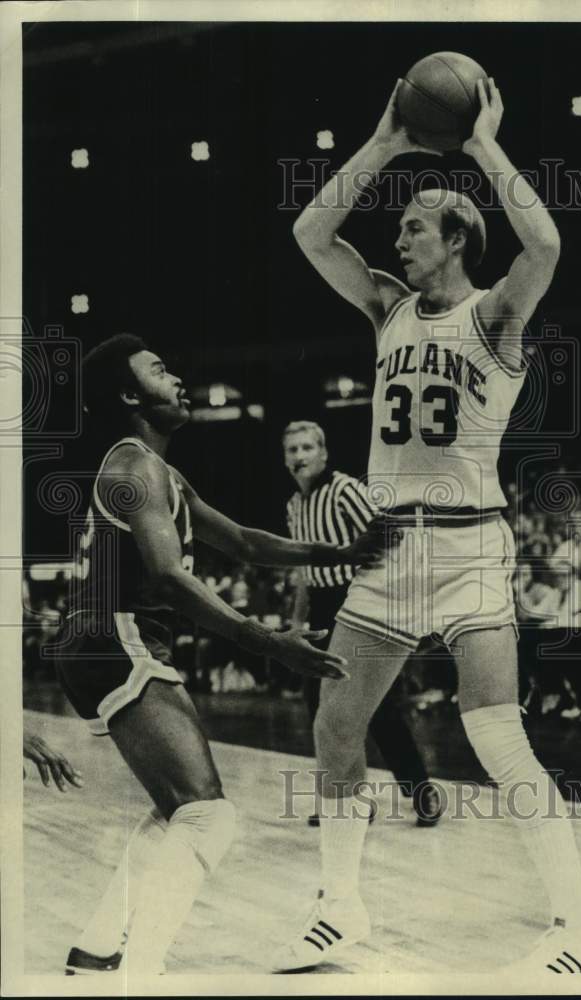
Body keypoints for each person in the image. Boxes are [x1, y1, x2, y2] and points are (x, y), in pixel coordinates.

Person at [274, 78, 581, 974]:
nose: (399, 236)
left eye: (415, 225)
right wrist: (382, 144)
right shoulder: (384, 307)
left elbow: (546, 239)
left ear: (457, 239)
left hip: (467, 544)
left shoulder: (494, 313)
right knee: (336, 730)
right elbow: (310, 234)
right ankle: (340, 908)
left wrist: (481, 143)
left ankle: (574, 929)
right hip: (385, 546)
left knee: (495, 734)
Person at [53, 334, 383, 977]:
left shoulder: (161, 470)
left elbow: (243, 542)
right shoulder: (133, 468)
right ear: (130, 397)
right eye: (158, 369)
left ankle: (97, 949)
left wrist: (333, 554)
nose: (176, 377)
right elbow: (171, 577)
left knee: (183, 807)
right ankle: (138, 974)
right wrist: (265, 641)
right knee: (209, 817)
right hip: (113, 639)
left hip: (101, 644)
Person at [283, 420, 444, 826]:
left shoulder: (344, 490)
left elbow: (390, 530)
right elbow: (304, 572)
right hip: (320, 609)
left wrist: (374, 581)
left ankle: (421, 790)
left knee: (378, 709)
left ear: (323, 453)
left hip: (354, 603)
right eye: (292, 450)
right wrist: (296, 622)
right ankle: (345, 797)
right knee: (320, 711)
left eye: (306, 447)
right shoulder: (293, 506)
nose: (299, 456)